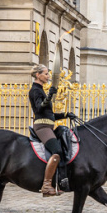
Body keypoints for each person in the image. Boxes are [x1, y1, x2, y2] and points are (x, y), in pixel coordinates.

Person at [28, 64, 76, 196]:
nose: (48, 76)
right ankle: (47, 185)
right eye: (46, 73)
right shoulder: (35, 90)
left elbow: (49, 114)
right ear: (38, 75)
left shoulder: (41, 90)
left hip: (48, 125)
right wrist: (49, 97)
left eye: (48, 74)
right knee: (57, 151)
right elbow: (39, 108)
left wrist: (66, 115)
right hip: (42, 127)